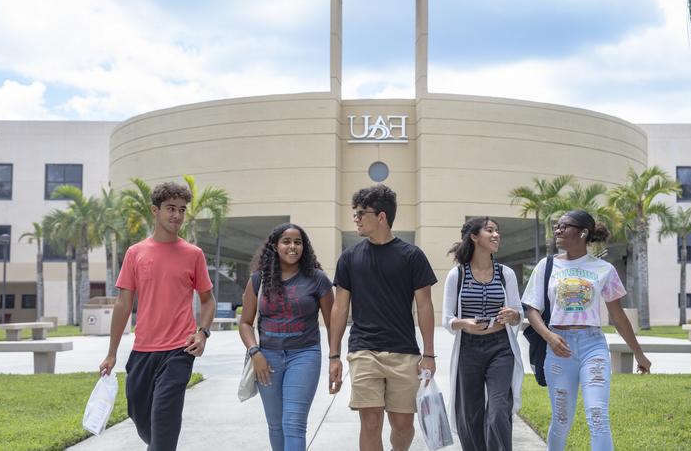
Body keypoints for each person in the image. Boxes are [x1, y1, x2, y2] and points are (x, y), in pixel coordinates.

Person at [99, 182, 216, 451]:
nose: (177, 215)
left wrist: (202, 332)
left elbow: (208, 301)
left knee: (165, 417)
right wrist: (112, 352)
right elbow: (123, 303)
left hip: (179, 350)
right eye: (170, 209)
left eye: (182, 210)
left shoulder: (193, 254)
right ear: (155, 210)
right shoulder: (135, 253)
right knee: (141, 417)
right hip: (142, 351)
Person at [522, 209, 651, 451]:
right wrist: (549, 337)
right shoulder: (546, 266)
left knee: (598, 415)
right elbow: (531, 310)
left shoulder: (603, 269)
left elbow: (617, 315)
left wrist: (638, 353)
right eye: (557, 226)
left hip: (593, 347)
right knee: (561, 420)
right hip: (559, 348)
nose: (558, 230)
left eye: (564, 226)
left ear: (582, 233)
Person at [328, 184, 438, 451]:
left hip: (404, 351)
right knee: (371, 422)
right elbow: (340, 308)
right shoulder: (349, 258)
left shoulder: (412, 256)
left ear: (381, 216)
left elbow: (424, 306)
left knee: (402, 426)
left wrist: (429, 354)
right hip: (363, 350)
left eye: (360, 213)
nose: (355, 218)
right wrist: (334, 356)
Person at [239, 223, 334, 451]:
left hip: (304, 355)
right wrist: (255, 352)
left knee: (293, 424)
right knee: (275, 426)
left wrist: (335, 357)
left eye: (298, 242)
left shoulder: (318, 279)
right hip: (267, 358)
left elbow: (333, 323)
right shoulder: (258, 279)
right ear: (275, 246)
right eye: (287, 241)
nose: (293, 247)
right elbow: (245, 323)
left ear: (304, 247)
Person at [441, 217, 524, 451]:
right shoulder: (457, 275)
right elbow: (447, 320)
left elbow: (519, 313)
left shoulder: (505, 273)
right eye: (490, 231)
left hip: (500, 348)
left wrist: (513, 316)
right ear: (474, 237)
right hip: (468, 349)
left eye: (497, 231)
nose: (496, 235)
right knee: (471, 414)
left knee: (498, 410)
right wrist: (464, 323)